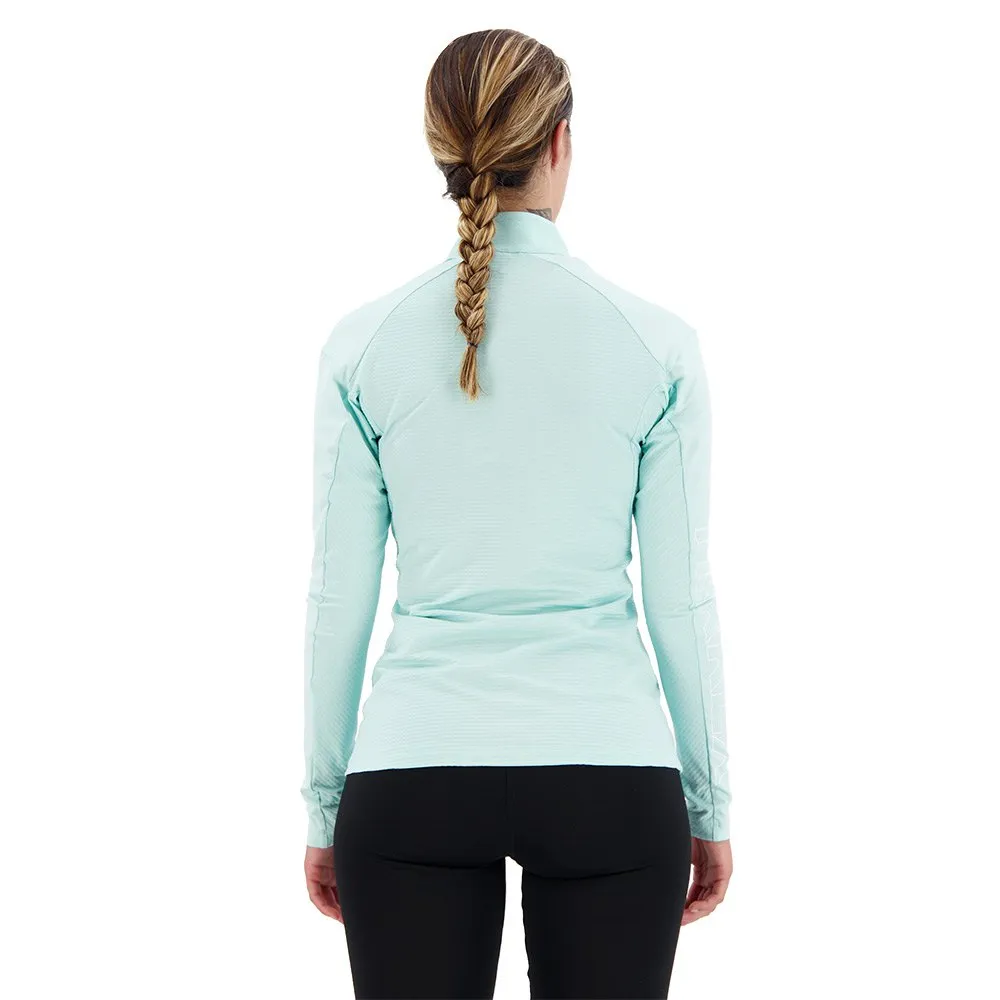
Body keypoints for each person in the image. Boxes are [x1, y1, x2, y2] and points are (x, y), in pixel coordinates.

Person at [301, 27, 733, 1000]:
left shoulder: (361, 347)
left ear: (440, 150)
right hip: (612, 779)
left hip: (410, 779)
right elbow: (682, 602)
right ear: (560, 143)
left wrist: (325, 808)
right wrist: (707, 804)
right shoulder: (657, 345)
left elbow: (338, 605)